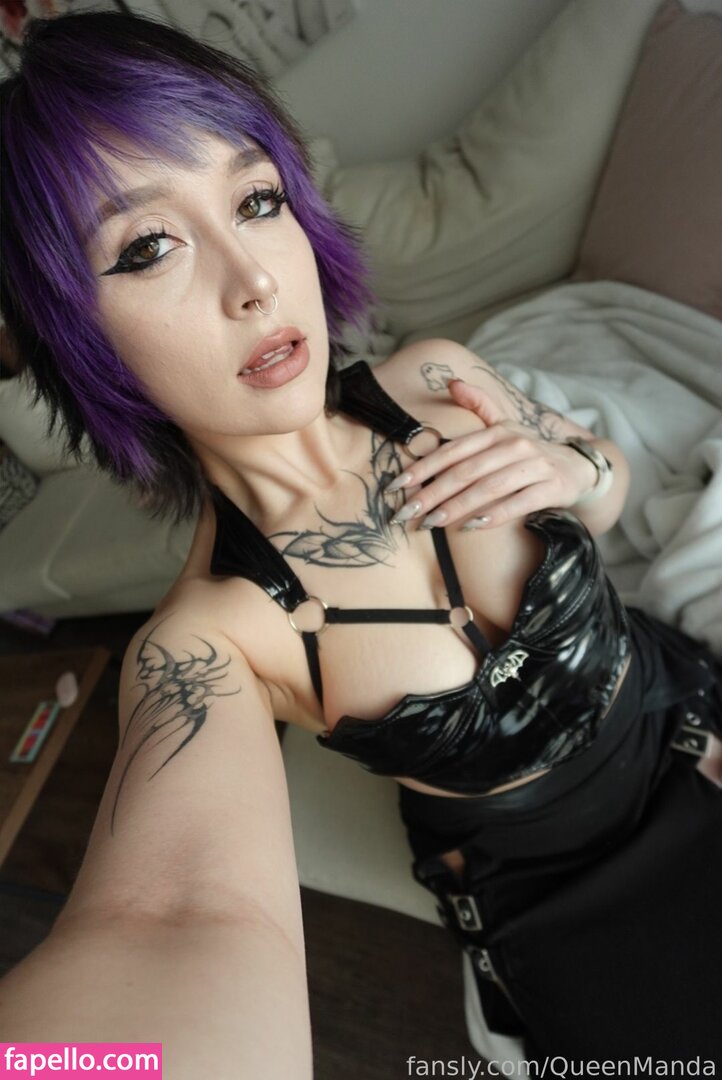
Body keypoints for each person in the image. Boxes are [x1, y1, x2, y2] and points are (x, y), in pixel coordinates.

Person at [1, 10, 720, 1077]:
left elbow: (605, 481)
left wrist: (575, 469)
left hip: (685, 712)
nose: (254, 280)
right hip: (574, 906)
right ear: (69, 334)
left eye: (256, 200)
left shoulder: (436, 379)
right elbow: (168, 921)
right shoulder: (211, 644)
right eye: (148, 247)